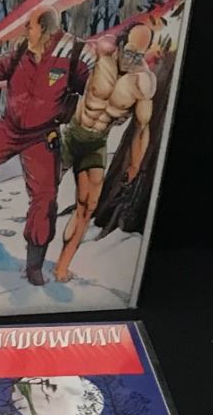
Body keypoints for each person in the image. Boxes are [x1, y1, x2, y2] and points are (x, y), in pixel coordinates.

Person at [0, 9, 88, 285]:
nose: (25, 30)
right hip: (9, 127)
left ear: (44, 28)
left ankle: (34, 264)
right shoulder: (21, 50)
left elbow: (93, 84)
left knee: (45, 198)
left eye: (29, 26)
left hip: (41, 136)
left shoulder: (71, 55)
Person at [54, 20, 157, 282]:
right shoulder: (102, 52)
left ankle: (62, 266)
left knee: (87, 207)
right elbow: (63, 59)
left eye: (138, 55)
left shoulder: (142, 82)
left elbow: (142, 128)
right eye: (129, 51)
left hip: (96, 142)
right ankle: (35, 255)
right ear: (120, 43)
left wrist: (134, 166)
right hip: (70, 134)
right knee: (44, 193)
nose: (132, 60)